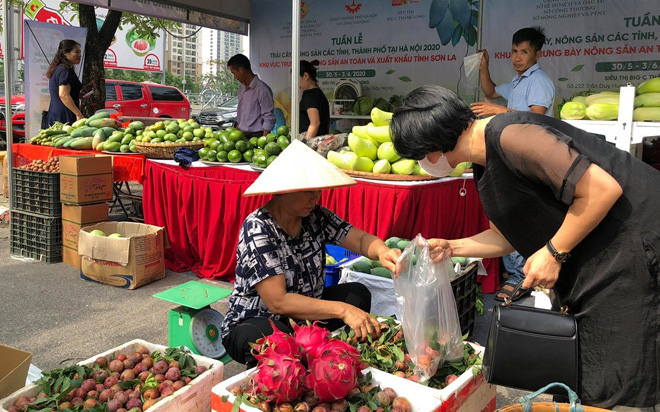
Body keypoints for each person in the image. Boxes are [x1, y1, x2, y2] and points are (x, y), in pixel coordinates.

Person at [390, 85, 659, 410]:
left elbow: (602, 189)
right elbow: (505, 237)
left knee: (608, 374)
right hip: (594, 258)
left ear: (432, 147)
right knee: (582, 372)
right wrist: (452, 246)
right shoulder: (482, 162)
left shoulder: (510, 135)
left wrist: (553, 252)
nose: (422, 164)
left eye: (418, 156)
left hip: (631, 245)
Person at [221, 140, 400, 367]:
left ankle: (321, 353)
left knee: (358, 293)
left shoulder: (316, 216)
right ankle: (286, 367)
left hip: (305, 315)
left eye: (317, 190)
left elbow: (362, 240)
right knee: (279, 340)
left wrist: (382, 251)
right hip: (258, 320)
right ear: (282, 191)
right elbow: (278, 302)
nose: (315, 197)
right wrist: (343, 311)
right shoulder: (258, 228)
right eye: (308, 190)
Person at [471, 27, 555, 301]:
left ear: (537, 54)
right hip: (514, 155)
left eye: (524, 52)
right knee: (511, 210)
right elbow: (491, 90)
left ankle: (522, 276)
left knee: (519, 212)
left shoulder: (539, 81)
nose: (517, 58)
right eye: (514, 51)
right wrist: (485, 67)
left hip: (532, 157)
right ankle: (518, 271)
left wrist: (500, 111)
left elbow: (538, 118)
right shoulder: (518, 81)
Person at [227, 54, 276, 137]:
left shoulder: (262, 89)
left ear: (241, 70)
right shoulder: (241, 89)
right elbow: (242, 115)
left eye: (234, 73)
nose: (235, 77)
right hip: (241, 136)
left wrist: (263, 140)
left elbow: (269, 117)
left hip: (257, 136)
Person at [46, 39, 84, 127]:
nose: (79, 55)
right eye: (76, 52)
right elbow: (63, 94)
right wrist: (78, 114)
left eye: (80, 52)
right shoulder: (65, 70)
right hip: (64, 115)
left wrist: (77, 94)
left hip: (55, 112)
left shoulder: (59, 69)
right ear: (65, 53)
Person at [299, 59, 330, 138]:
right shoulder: (319, 93)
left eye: (296, 79)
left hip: (313, 143)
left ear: (306, 76)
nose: (295, 84)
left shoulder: (310, 96)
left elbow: (315, 123)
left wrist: (304, 145)